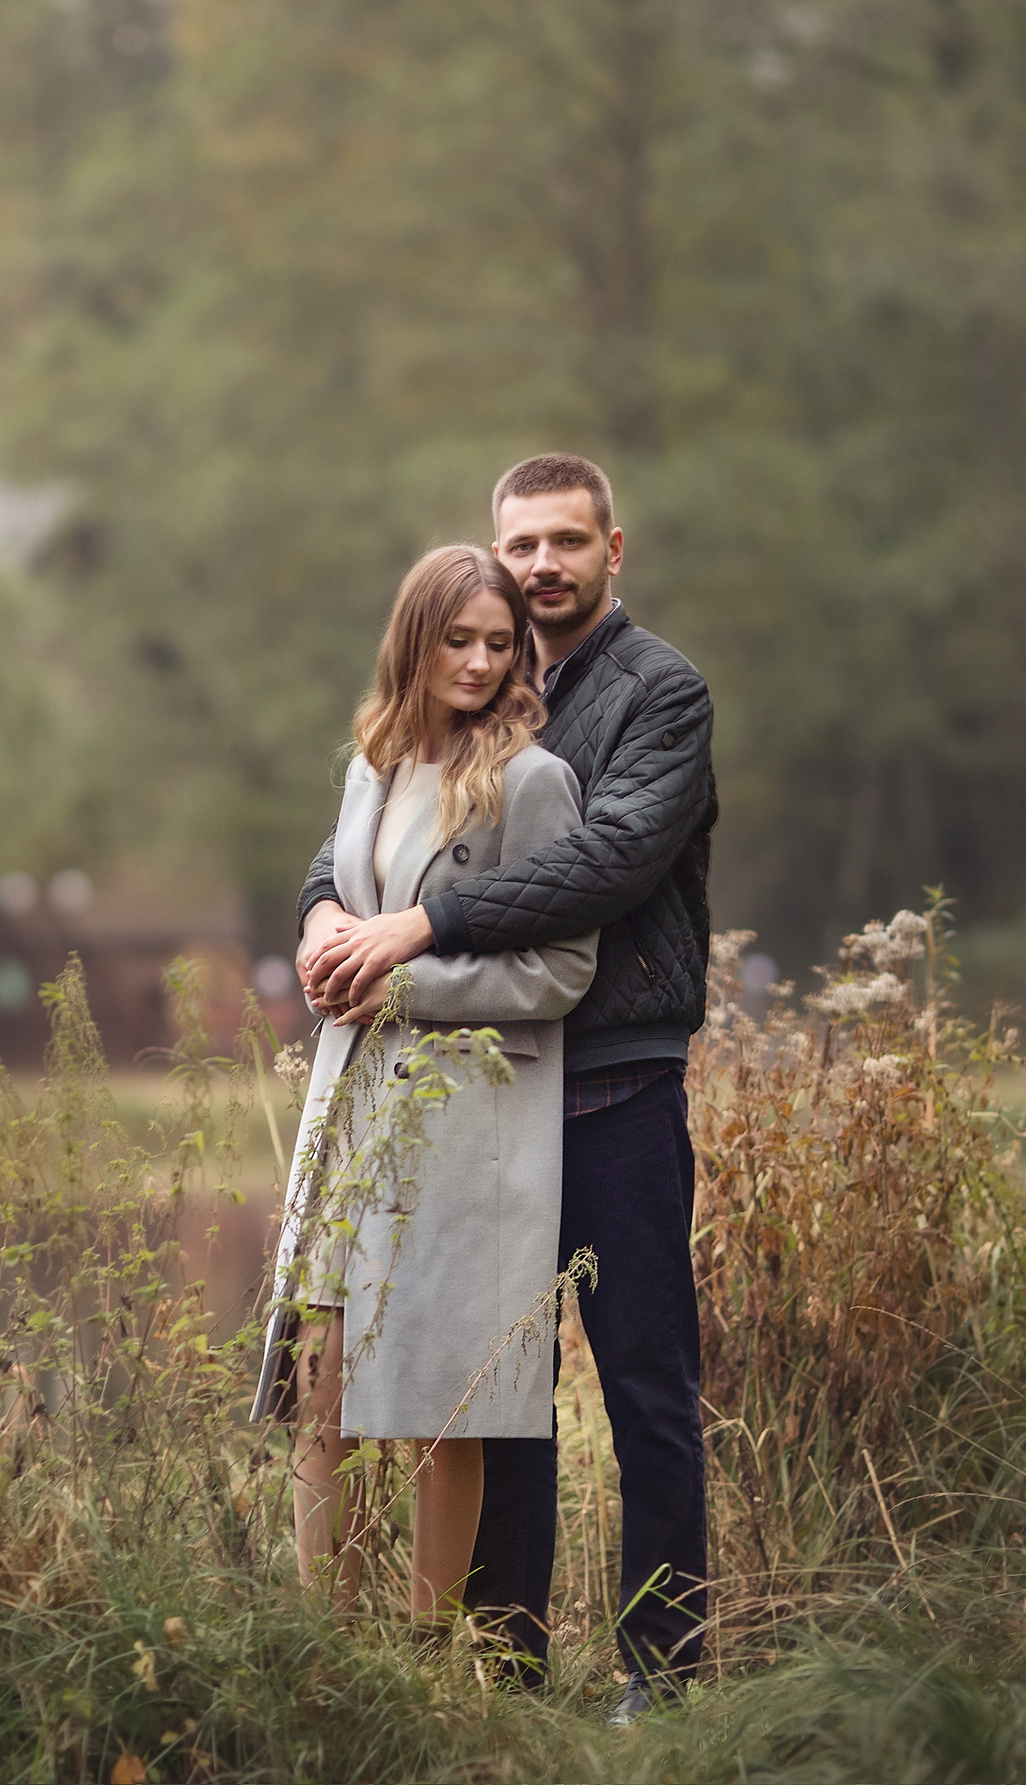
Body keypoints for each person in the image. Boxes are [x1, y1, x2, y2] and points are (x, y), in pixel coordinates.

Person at [299, 453, 716, 1720]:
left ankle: (665, 1676)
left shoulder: (659, 694)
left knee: (645, 1384)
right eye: (521, 543)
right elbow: (363, 836)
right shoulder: (481, 685)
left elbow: (603, 864)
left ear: (612, 549)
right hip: (485, 1102)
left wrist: (418, 930)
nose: (542, 566)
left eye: (565, 543)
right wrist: (325, 912)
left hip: (615, 1087)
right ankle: (506, 1670)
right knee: (497, 1392)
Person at [255, 543, 598, 1627]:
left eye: (500, 645)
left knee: (441, 1403)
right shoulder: (376, 763)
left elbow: (562, 968)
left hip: (463, 1118)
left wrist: (406, 989)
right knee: (323, 1389)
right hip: (350, 1107)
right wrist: (319, 928)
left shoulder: (533, 783)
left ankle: (420, 1654)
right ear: (415, 639)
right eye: (458, 640)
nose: (482, 662)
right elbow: (337, 883)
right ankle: (327, 1642)